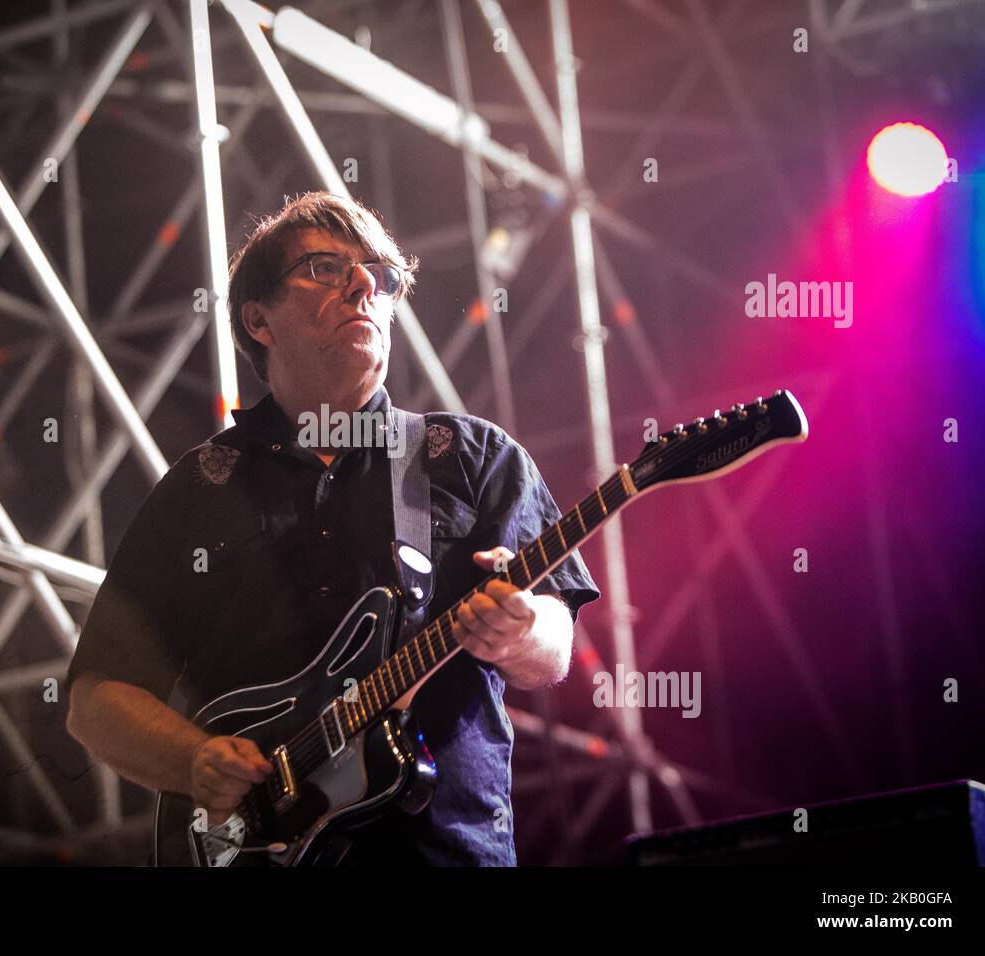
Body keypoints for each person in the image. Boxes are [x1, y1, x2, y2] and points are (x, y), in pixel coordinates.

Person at [65, 191, 599, 865]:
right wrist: (194, 759)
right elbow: (96, 698)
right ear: (258, 318)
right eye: (325, 268)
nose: (362, 286)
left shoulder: (471, 456)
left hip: (439, 851)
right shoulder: (202, 487)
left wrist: (521, 630)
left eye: (379, 276)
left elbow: (554, 648)